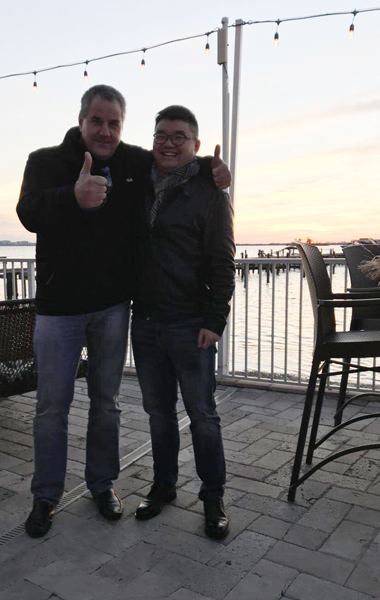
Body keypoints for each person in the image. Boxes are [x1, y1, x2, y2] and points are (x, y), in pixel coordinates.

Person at [16, 85, 230, 538]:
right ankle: (46, 496)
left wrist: (211, 168)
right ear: (81, 120)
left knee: (107, 404)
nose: (105, 131)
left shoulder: (133, 162)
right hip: (58, 311)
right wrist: (72, 196)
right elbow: (28, 212)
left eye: (114, 123)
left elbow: (176, 161)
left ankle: (103, 485)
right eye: (97, 121)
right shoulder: (44, 161)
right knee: (51, 407)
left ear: (123, 126)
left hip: (114, 309)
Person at [131, 105, 235, 540]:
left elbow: (223, 264)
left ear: (195, 144)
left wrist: (215, 320)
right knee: (158, 414)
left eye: (179, 136)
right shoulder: (138, 184)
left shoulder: (210, 195)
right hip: (145, 321)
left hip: (190, 324)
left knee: (202, 415)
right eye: (161, 134)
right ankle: (164, 485)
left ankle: (213, 496)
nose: (168, 142)